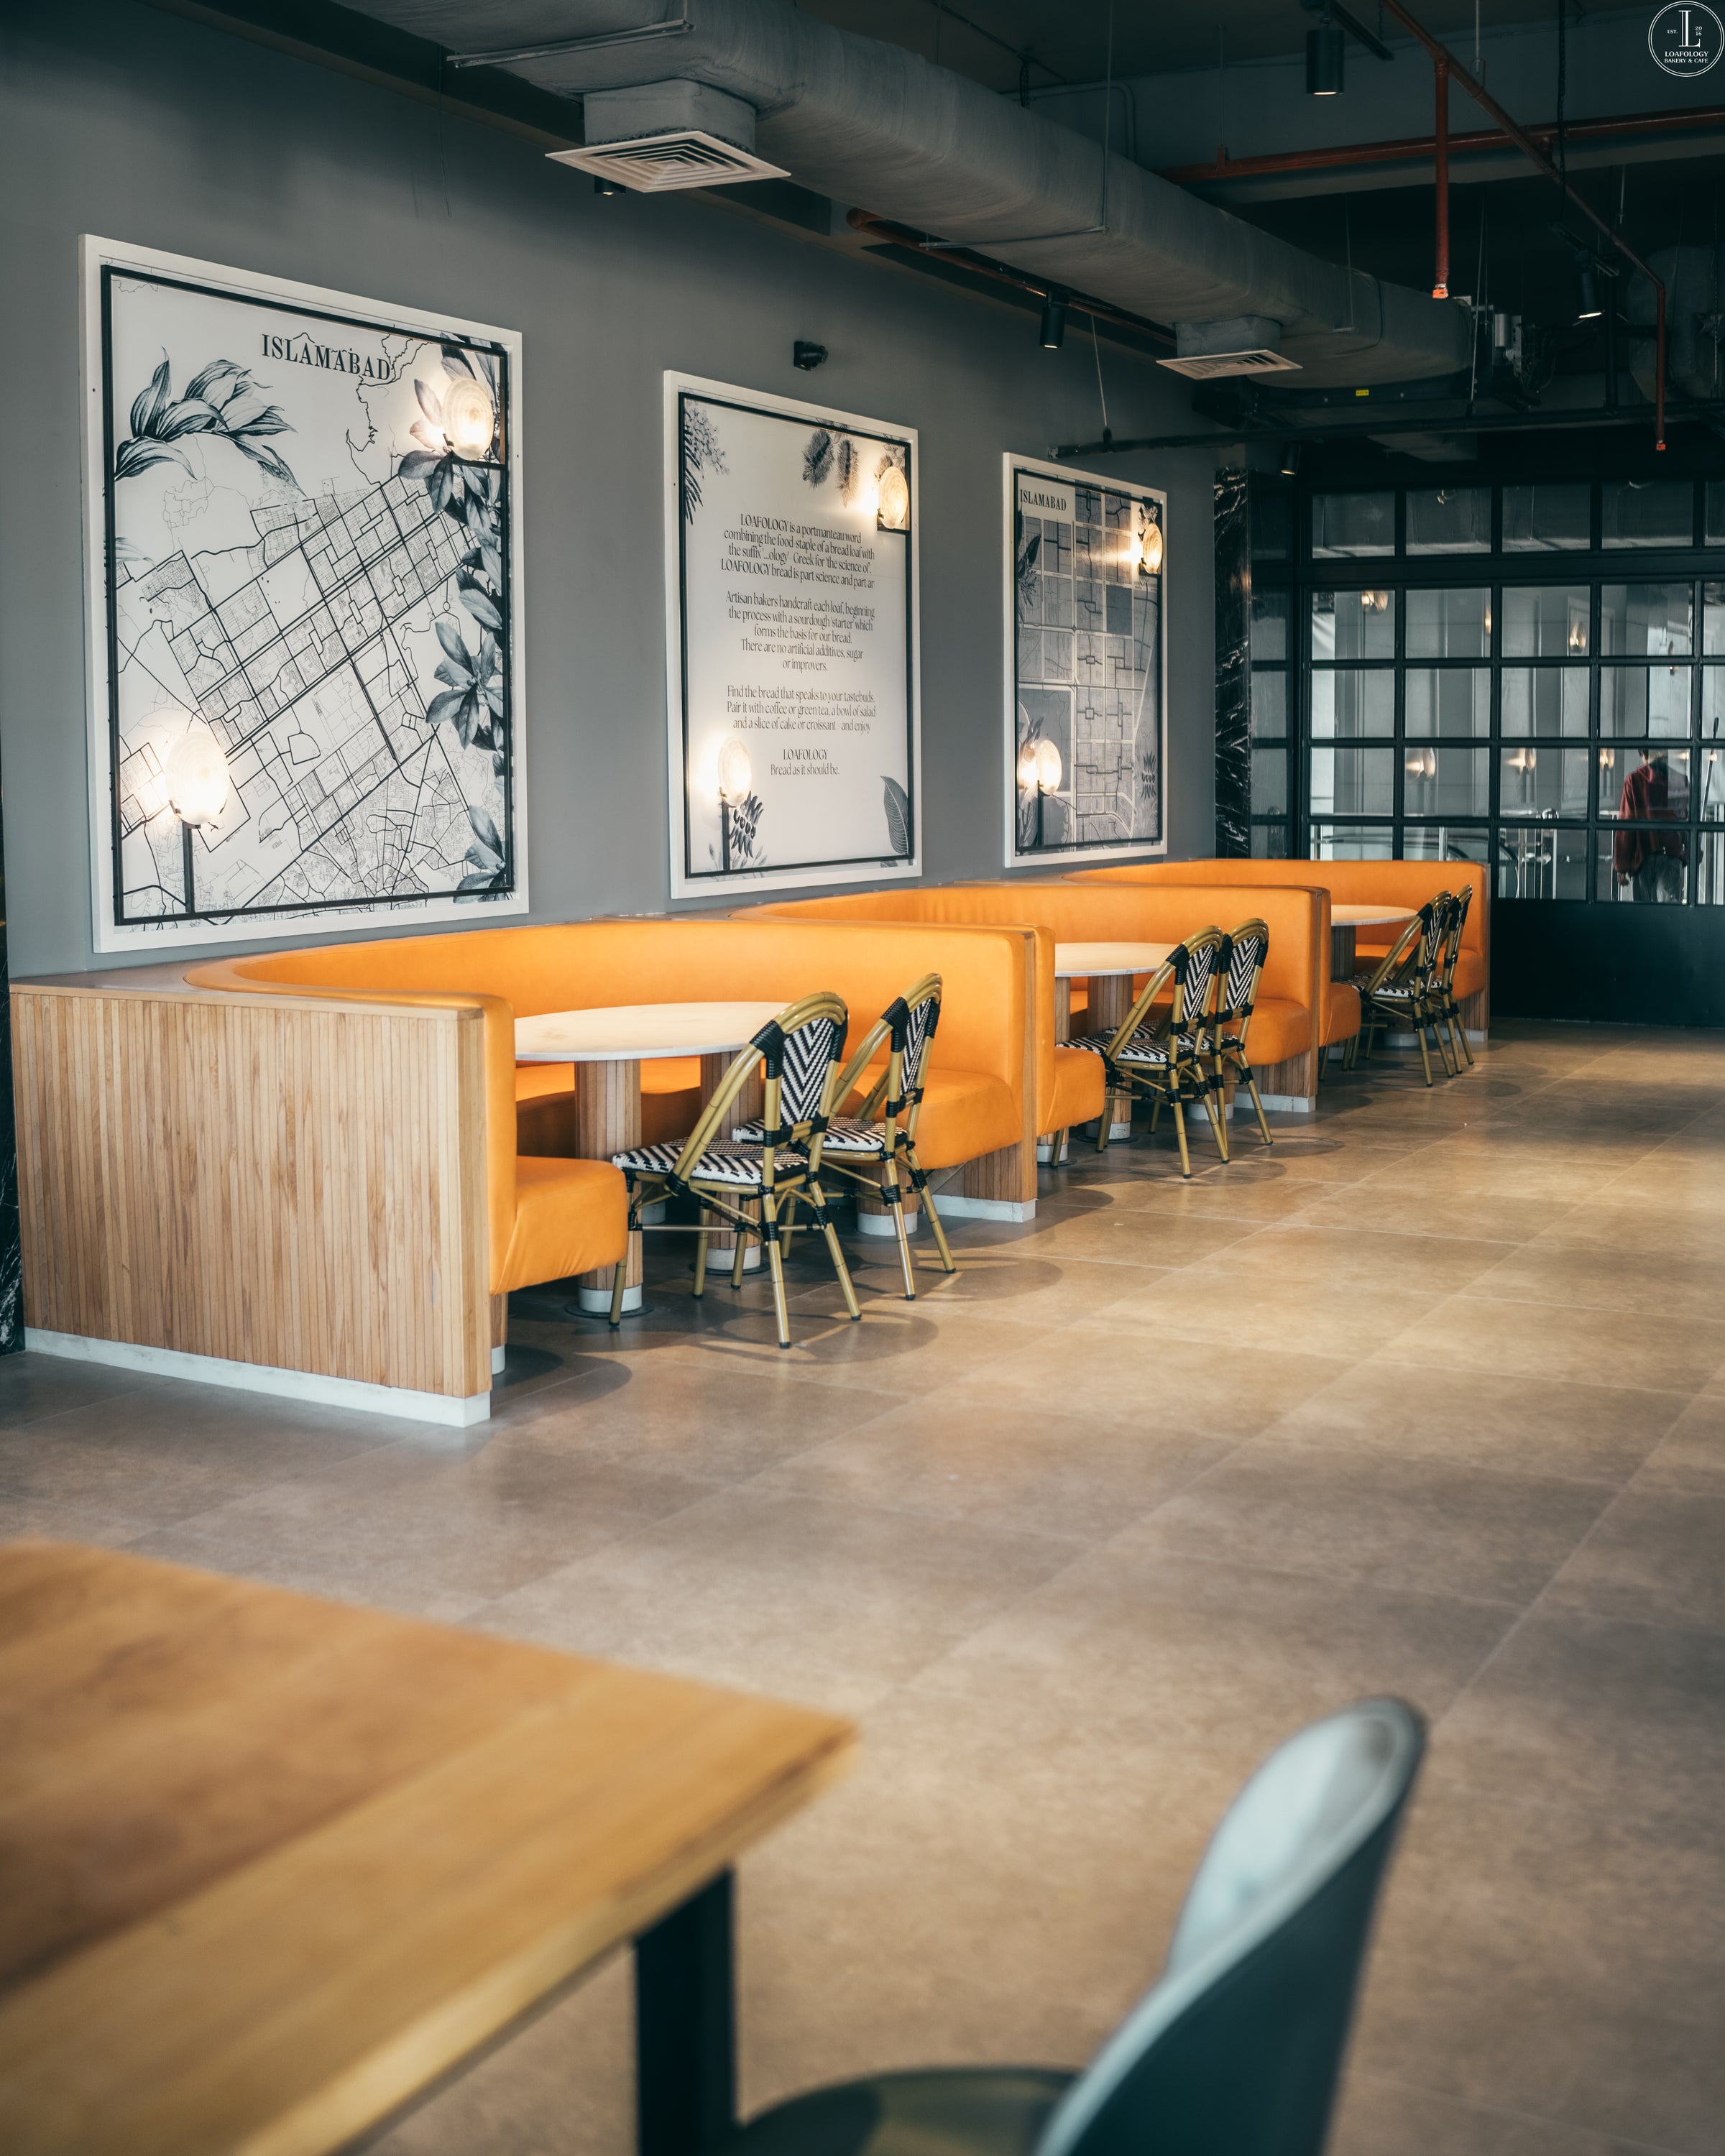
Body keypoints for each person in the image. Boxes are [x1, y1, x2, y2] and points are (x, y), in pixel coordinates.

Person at [1614, 747, 1687, 902]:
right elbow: (1685, 820)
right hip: (1671, 855)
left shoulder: (1633, 781)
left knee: (1644, 916)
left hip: (1643, 856)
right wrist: (1689, 854)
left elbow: (1627, 825)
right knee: (1670, 914)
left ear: (1643, 755)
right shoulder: (1679, 780)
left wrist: (1622, 865)